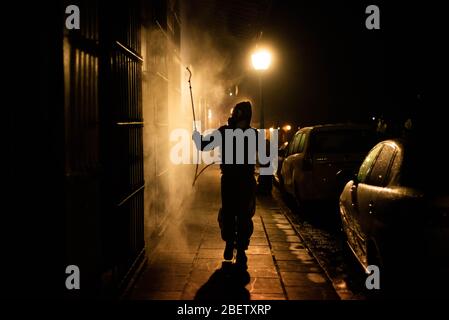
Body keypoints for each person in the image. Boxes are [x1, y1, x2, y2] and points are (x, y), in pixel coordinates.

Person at [193, 101, 257, 268]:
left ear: (239, 114)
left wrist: (196, 136)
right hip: (245, 181)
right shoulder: (253, 134)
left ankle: (230, 244)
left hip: (230, 180)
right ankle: (241, 249)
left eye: (235, 111)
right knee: (243, 214)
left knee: (230, 212)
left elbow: (203, 145)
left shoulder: (225, 131)